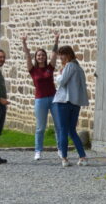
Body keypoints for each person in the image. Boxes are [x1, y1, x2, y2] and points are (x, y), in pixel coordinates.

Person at [21, 32, 60, 161]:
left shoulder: (50, 67)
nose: (41, 57)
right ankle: (38, 151)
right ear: (36, 58)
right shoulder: (33, 70)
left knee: (58, 125)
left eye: (43, 55)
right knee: (40, 127)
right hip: (40, 100)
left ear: (45, 57)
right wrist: (24, 43)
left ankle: (60, 149)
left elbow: (55, 54)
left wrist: (56, 40)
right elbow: (27, 56)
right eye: (38, 55)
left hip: (54, 99)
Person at [53, 45, 89, 167]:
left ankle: (64, 158)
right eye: (60, 54)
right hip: (75, 102)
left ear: (68, 55)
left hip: (64, 101)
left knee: (63, 130)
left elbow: (62, 81)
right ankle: (82, 156)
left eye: (62, 54)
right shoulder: (79, 68)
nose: (60, 57)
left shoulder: (69, 66)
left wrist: (58, 75)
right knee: (71, 130)